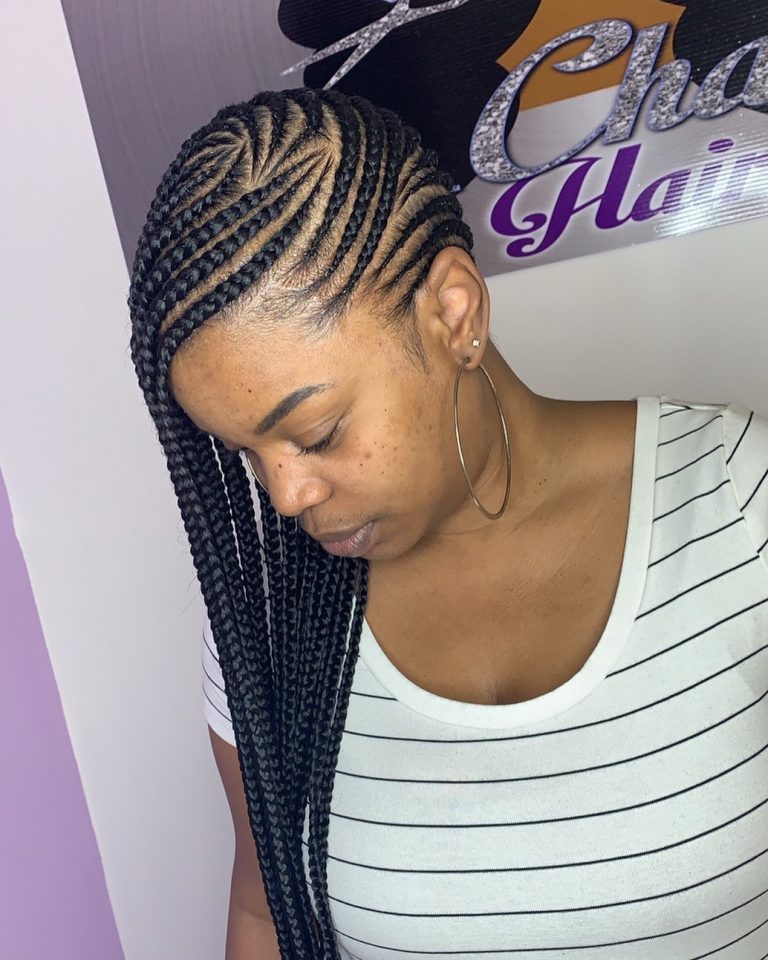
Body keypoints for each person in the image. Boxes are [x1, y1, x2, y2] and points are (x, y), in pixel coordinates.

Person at [127, 87, 768, 960]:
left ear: (455, 315)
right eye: (247, 453)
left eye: (316, 433)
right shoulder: (271, 617)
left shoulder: (737, 498)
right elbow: (265, 911)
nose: (285, 497)